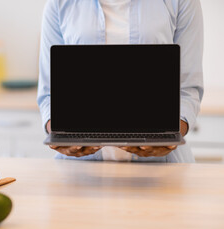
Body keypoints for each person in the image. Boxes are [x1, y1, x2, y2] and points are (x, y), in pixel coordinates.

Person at [37, 0, 204, 162]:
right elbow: (49, 94)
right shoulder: (58, 4)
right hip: (79, 170)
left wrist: (169, 137)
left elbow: (188, 89)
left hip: (161, 169)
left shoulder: (182, 2)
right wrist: (59, 136)